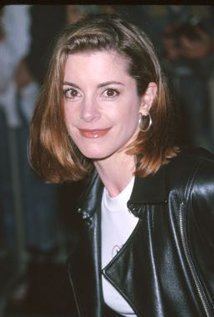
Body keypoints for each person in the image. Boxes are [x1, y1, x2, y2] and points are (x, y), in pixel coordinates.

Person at [29, 14, 214, 317]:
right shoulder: (87, 201)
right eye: (72, 92)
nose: (87, 113)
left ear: (146, 98)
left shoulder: (198, 187)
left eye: (109, 92)